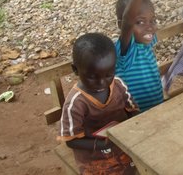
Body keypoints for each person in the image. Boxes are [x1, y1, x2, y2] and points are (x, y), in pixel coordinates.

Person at [57, 32, 139, 175]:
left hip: (123, 147)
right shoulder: (76, 103)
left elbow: (133, 110)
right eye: (92, 77)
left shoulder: (118, 85)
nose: (102, 83)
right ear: (75, 70)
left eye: (108, 74)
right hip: (94, 158)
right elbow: (71, 140)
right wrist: (101, 144)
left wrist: (133, 126)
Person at [114, 0, 164, 112]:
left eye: (152, 20)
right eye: (140, 22)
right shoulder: (126, 50)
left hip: (157, 109)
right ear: (121, 25)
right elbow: (128, 21)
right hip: (137, 117)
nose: (150, 27)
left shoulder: (146, 43)